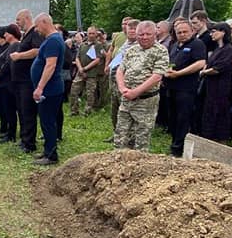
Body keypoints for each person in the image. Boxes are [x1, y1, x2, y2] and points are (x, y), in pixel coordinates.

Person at [114, 20, 169, 151]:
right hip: (127, 100)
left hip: (146, 102)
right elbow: (120, 70)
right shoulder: (131, 50)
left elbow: (157, 76)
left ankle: (138, 168)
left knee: (141, 140)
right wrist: (122, 88)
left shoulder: (160, 51)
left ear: (155, 33)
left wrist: (136, 92)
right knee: (120, 136)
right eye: (140, 34)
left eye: (147, 34)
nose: (144, 37)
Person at [164, 19, 207, 156]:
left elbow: (200, 63)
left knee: (183, 118)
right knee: (173, 118)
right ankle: (174, 143)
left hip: (186, 88)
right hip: (171, 86)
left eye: (185, 31)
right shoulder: (175, 45)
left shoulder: (197, 44)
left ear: (192, 31)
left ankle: (179, 148)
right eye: (179, 32)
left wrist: (179, 73)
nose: (182, 34)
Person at [31, 13, 66, 165]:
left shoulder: (53, 41)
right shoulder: (52, 39)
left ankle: (51, 155)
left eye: (37, 26)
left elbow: (50, 65)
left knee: (48, 121)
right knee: (46, 120)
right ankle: (47, 150)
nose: (37, 30)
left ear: (44, 22)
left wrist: (40, 87)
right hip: (50, 88)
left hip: (50, 89)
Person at [10, 9, 43, 154]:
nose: (17, 23)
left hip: (27, 81)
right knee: (21, 111)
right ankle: (24, 139)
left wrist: (19, 56)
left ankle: (30, 143)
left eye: (18, 19)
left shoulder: (35, 33)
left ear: (27, 18)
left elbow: (37, 50)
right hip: (19, 81)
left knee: (28, 111)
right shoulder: (25, 36)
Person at [199, 22, 232, 141]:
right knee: (208, 110)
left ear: (223, 32)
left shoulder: (228, 49)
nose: (211, 34)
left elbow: (218, 69)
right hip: (210, 86)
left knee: (218, 111)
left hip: (220, 87)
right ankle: (207, 136)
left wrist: (204, 72)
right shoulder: (217, 48)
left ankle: (219, 137)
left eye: (214, 32)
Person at [0, 25, 20, 144]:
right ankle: (7, 131)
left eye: (6, 34)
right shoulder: (7, 48)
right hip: (2, 83)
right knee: (5, 109)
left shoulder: (14, 46)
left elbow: (7, 65)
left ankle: (11, 133)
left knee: (10, 110)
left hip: (8, 84)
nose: (5, 36)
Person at [69, 26, 104, 115]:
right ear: (87, 34)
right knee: (74, 90)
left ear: (96, 34)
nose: (91, 35)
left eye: (93, 33)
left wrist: (85, 68)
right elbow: (77, 58)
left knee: (90, 93)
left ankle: (88, 111)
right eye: (89, 33)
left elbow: (97, 60)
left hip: (91, 73)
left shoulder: (98, 45)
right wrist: (80, 68)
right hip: (80, 72)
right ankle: (74, 110)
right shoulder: (82, 45)